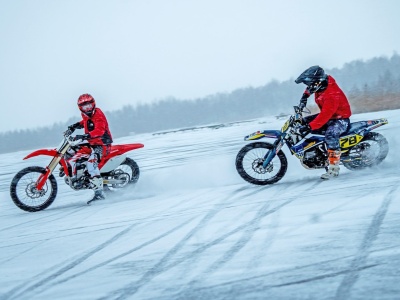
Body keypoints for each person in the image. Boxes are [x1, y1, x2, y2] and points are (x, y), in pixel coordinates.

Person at [295, 66, 352, 180]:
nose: (309, 86)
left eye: (311, 83)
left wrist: (309, 127)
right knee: (304, 122)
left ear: (318, 82)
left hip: (340, 119)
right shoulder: (321, 84)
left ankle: (334, 168)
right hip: (331, 116)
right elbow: (310, 88)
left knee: (330, 135)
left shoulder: (331, 94)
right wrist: (304, 98)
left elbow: (325, 116)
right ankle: (316, 152)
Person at [65, 93, 113, 201]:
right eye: (84, 106)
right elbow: (86, 122)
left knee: (91, 164)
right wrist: (75, 126)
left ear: (93, 104)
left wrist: (85, 135)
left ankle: (99, 194)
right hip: (92, 142)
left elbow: (99, 130)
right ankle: (77, 172)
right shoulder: (86, 115)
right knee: (74, 151)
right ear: (80, 108)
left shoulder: (98, 115)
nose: (87, 108)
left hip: (102, 144)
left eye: (89, 105)